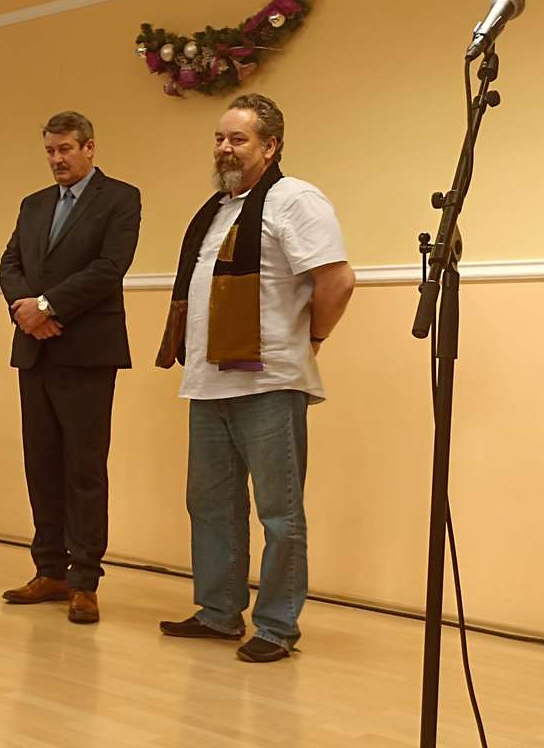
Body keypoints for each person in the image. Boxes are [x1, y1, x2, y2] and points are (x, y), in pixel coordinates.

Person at [156, 94, 354, 661]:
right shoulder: (218, 209)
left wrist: (312, 340)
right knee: (210, 506)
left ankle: (276, 626)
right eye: (219, 138)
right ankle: (219, 613)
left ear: (271, 146)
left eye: (238, 139)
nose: (224, 148)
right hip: (208, 383)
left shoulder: (295, 199)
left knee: (279, 513)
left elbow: (337, 281)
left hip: (270, 383)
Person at [0, 111, 141, 624]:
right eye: (50, 151)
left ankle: (84, 581)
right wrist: (27, 312)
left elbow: (110, 267)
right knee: (41, 464)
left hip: (87, 353)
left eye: (65, 149)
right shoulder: (33, 204)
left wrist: (48, 306)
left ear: (89, 147)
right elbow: (9, 265)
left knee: (83, 468)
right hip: (35, 350)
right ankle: (50, 570)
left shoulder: (120, 198)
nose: (57, 159)